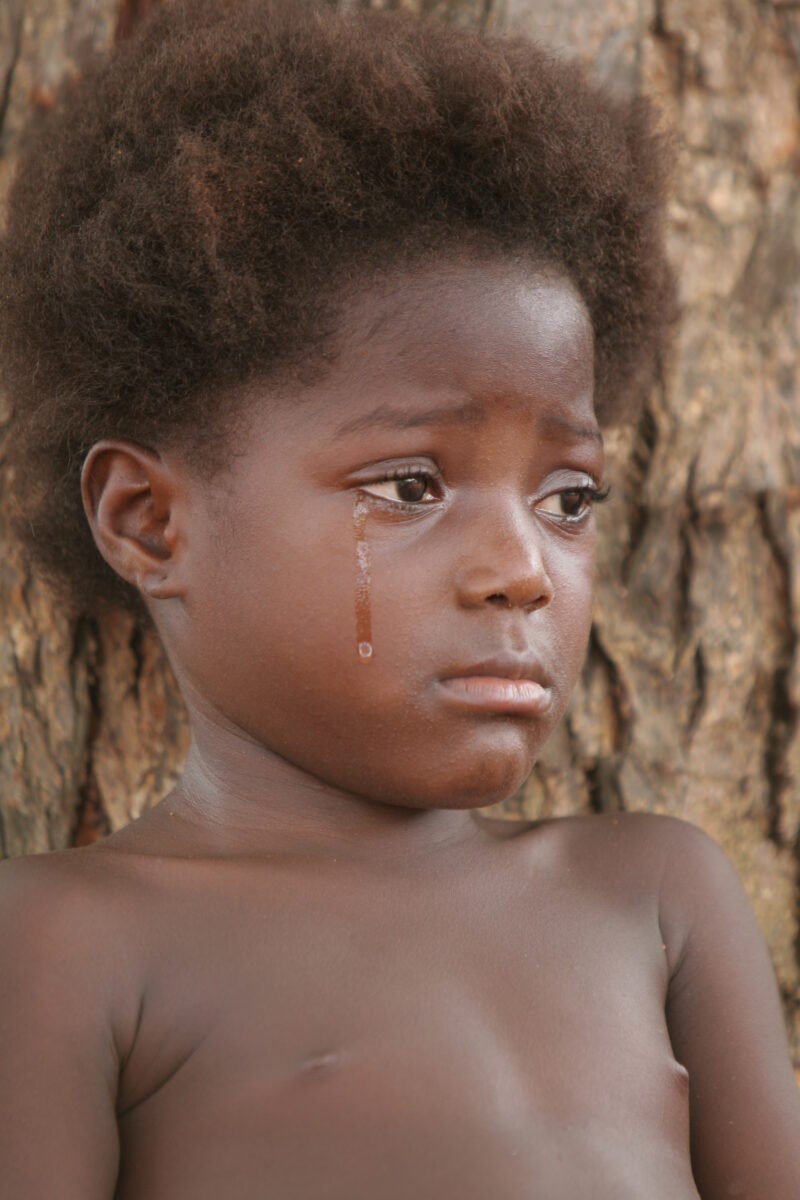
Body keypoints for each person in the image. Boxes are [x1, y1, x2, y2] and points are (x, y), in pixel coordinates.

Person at [0, 1, 798, 1196]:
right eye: (411, 483)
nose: (522, 568)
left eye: (568, 499)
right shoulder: (66, 943)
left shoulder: (651, 899)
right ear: (147, 521)